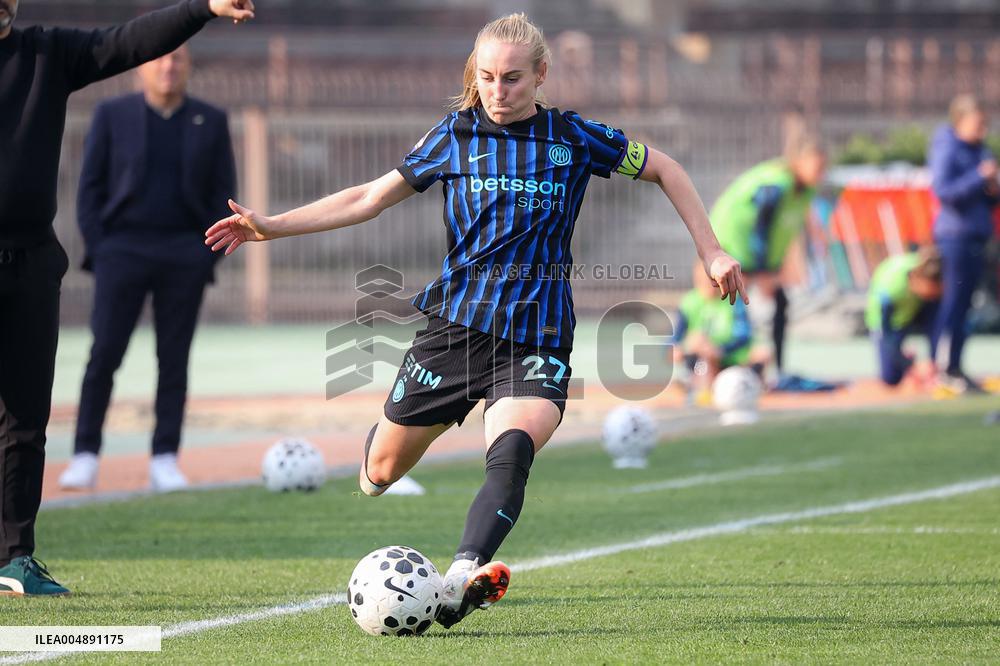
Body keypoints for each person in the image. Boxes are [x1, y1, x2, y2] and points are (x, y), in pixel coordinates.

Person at [205, 13, 746, 629]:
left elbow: (665, 168)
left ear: (541, 75)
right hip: (454, 333)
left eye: (513, 78)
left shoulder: (574, 138)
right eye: (487, 76)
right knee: (379, 473)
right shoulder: (453, 137)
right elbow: (366, 198)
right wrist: (271, 224)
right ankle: (385, 464)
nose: (498, 90)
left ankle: (463, 576)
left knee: (512, 450)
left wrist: (712, 250)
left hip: (537, 336)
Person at [0, 0, 254, 597]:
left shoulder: (46, 54)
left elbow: (128, 40)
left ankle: (15, 558)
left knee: (24, 420)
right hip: (110, 253)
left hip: (31, 264)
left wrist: (204, 8)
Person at [59, 45, 236, 493]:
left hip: (184, 254)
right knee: (104, 355)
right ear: (142, 67)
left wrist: (204, 256)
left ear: (188, 66)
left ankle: (164, 457)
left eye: (177, 59)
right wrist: (103, 249)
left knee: (173, 360)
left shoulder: (210, 120)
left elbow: (223, 192)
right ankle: (84, 454)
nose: (168, 66)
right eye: (159, 58)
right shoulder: (111, 115)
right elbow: (89, 191)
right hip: (122, 251)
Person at [709, 135, 827, 380]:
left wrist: (777, 265)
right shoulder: (776, 183)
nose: (821, 173)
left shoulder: (805, 190)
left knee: (780, 303)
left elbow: (786, 227)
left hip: (758, 256)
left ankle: (776, 369)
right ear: (800, 161)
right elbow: (761, 225)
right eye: (817, 167)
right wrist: (763, 270)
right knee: (735, 310)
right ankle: (719, 366)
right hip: (735, 246)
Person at [928, 94, 999, 393]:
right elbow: (944, 191)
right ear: (960, 120)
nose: (982, 129)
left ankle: (955, 366)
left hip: (976, 236)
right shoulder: (948, 148)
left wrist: (992, 187)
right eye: (977, 122)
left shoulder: (980, 150)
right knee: (954, 303)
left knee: (966, 304)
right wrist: (977, 177)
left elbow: (988, 200)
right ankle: (942, 367)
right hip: (954, 236)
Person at [672, 263, 768, 398]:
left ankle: (752, 386)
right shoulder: (689, 302)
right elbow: (674, 338)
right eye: (702, 280)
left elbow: (744, 336)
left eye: (711, 281)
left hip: (731, 355)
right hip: (703, 358)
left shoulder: (733, 299)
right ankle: (698, 386)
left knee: (763, 353)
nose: (707, 285)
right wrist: (678, 349)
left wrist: (720, 350)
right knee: (698, 342)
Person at [865, 249, 944, 387]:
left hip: (912, 311)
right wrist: (910, 364)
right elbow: (885, 332)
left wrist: (932, 360)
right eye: (930, 292)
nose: (932, 296)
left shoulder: (927, 269)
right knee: (891, 378)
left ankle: (935, 368)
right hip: (890, 322)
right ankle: (909, 362)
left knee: (937, 320)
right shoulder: (891, 289)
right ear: (919, 280)